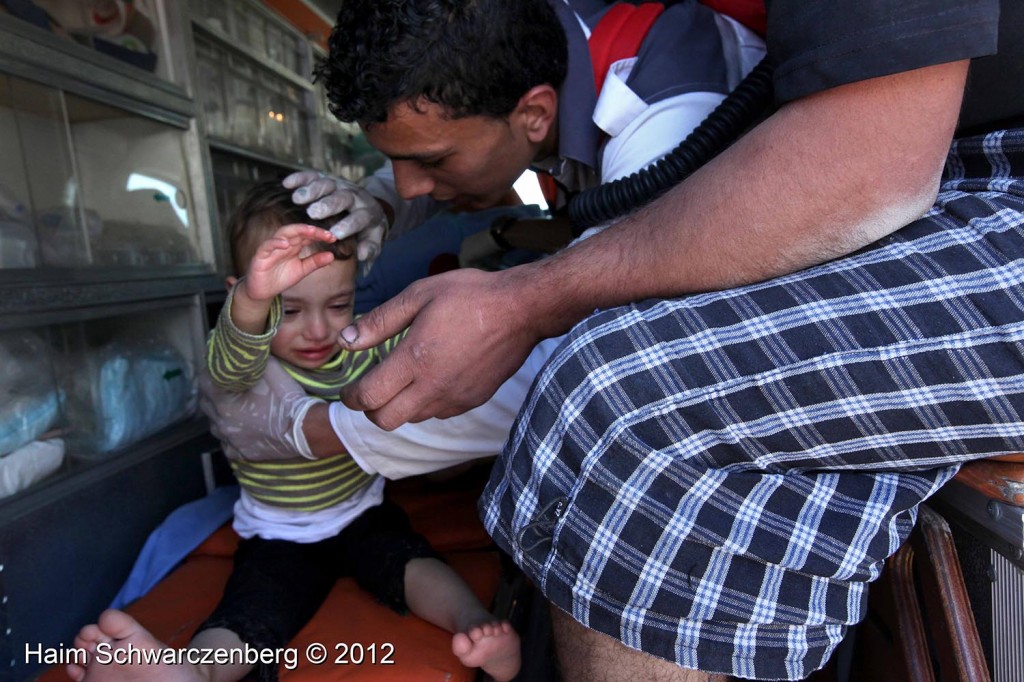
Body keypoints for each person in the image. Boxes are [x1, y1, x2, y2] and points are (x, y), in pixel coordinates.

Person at [214, 0, 1024, 680]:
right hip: (935, 177)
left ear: (535, 113)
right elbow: (453, 134)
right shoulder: (552, 54)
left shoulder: (666, 116)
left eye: (423, 165)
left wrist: (319, 432)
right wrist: (380, 199)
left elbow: (564, 355)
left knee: (612, 396)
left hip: (967, 183)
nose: (416, 183)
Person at [66, 181, 521, 682]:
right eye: (292, 310)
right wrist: (252, 304)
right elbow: (228, 361)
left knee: (414, 565)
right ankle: (192, 674)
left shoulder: (359, 342)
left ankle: (477, 626)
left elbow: (421, 359)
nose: (320, 331)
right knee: (255, 612)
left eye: (339, 304)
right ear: (245, 296)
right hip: (282, 532)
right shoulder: (245, 362)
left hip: (362, 512)